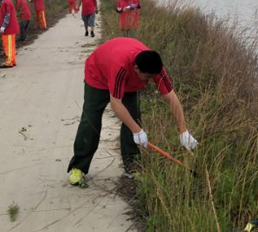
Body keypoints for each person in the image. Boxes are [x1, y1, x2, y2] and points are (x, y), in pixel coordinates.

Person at [67, 38, 198, 186]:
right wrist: (137, 131)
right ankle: (78, 166)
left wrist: (183, 131)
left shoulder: (155, 67)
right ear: (136, 68)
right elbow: (116, 102)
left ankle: (132, 165)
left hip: (129, 81)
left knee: (133, 117)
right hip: (98, 76)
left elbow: (171, 97)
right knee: (91, 120)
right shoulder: (120, 66)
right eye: (147, 77)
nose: (150, 81)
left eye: (152, 77)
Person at [0, 0, 19, 68]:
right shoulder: (7, 2)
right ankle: (12, 60)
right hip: (10, 28)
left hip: (8, 29)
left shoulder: (6, 2)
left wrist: (3, 26)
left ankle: (9, 62)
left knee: (8, 45)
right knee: (11, 45)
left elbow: (7, 15)